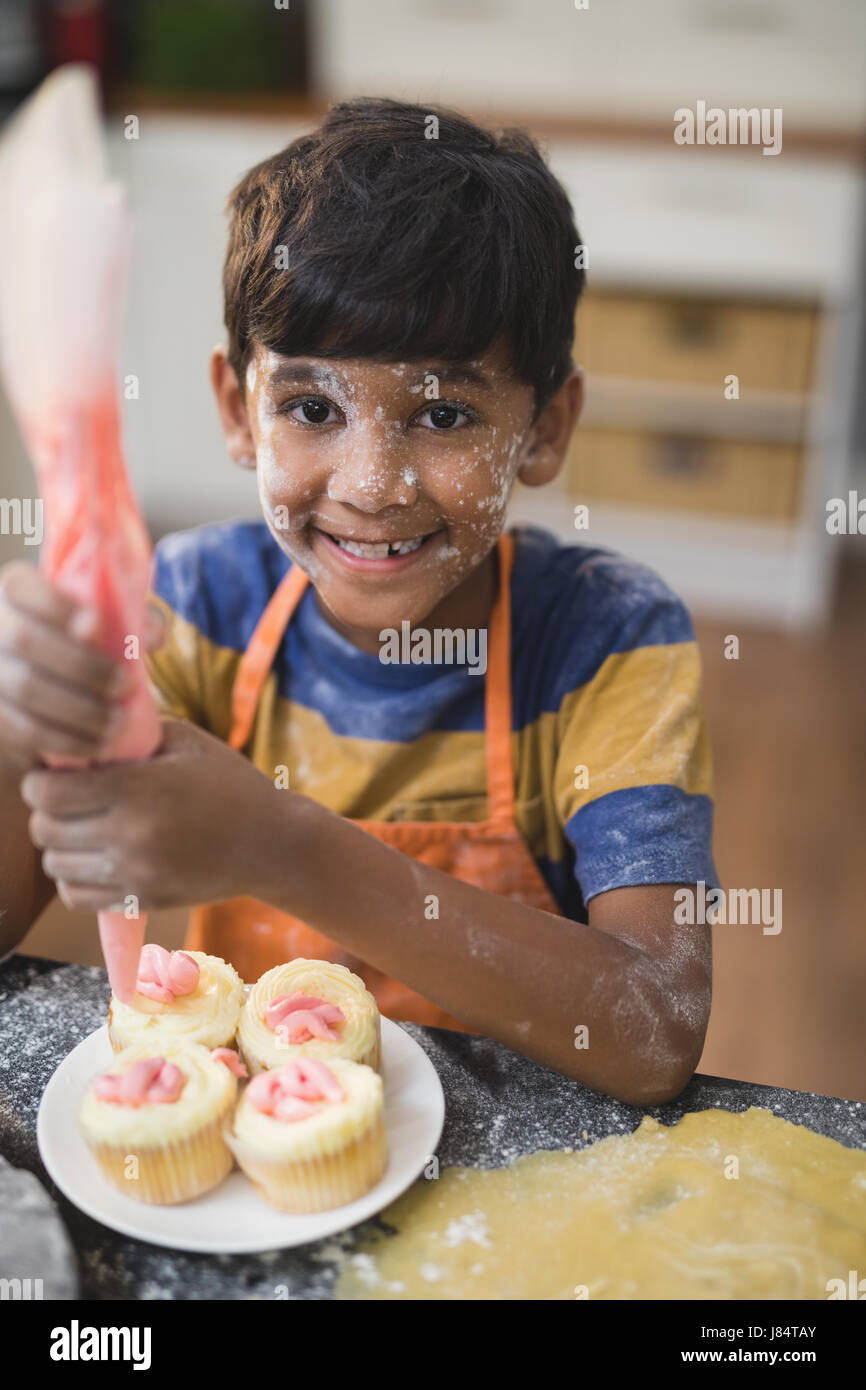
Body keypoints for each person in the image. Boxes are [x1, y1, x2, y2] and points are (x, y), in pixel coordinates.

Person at [0, 98, 718, 1102]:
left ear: (545, 427)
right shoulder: (190, 604)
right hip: (269, 1172)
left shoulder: (607, 638)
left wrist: (280, 843)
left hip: (518, 1180)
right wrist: (19, 731)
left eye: (441, 412)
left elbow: (653, 1029)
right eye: (310, 407)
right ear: (235, 412)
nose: (372, 484)